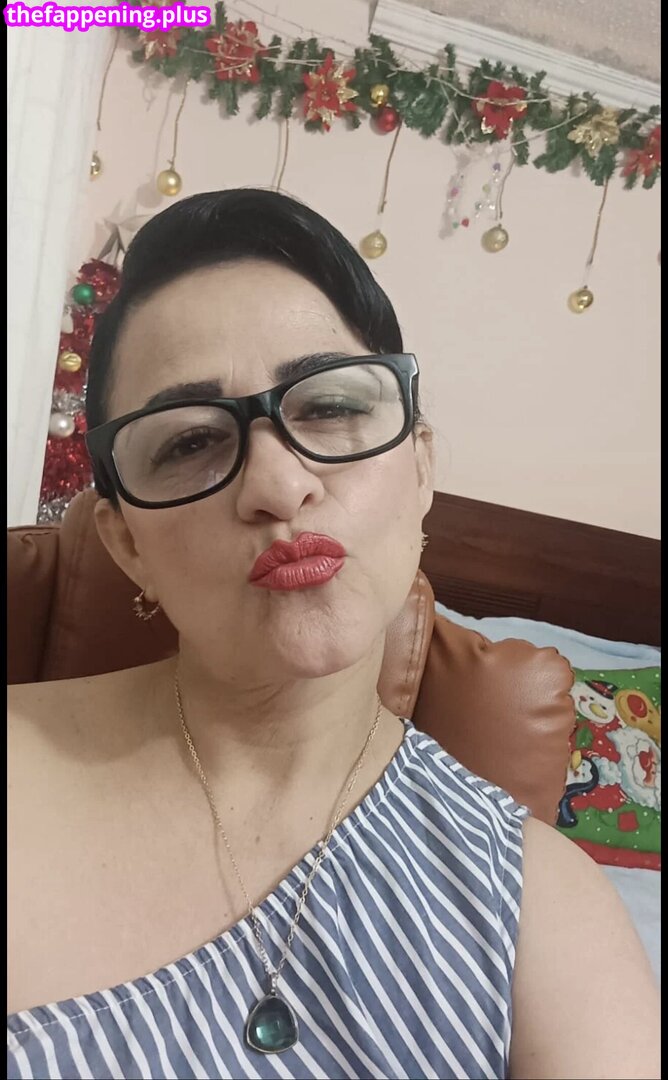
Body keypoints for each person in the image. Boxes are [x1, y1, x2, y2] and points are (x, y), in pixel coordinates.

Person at [8, 189, 659, 1080]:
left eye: (329, 406)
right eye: (189, 442)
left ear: (421, 467)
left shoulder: (543, 913)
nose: (279, 485)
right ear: (126, 545)